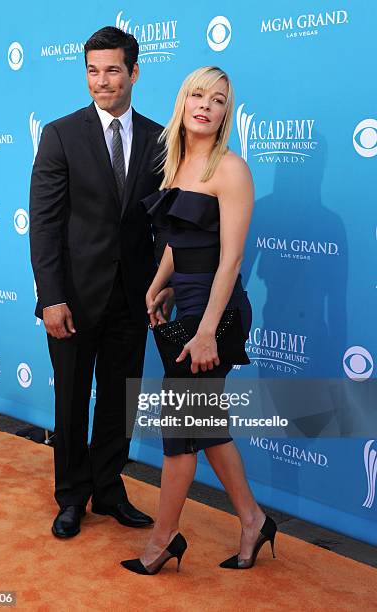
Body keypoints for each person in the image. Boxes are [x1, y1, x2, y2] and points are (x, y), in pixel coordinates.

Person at [121, 66, 277, 574]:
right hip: (182, 306)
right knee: (206, 427)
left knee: (180, 431)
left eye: (216, 99)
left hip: (216, 313)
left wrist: (208, 329)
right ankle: (253, 520)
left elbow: (231, 260)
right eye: (196, 94)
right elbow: (175, 240)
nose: (204, 105)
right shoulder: (176, 163)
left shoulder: (231, 170)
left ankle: (162, 542)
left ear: (226, 111)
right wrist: (157, 282)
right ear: (183, 101)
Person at [29, 26, 172, 538]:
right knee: (70, 399)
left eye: (112, 70)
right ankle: (71, 496)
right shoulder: (61, 134)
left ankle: (110, 489)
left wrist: (162, 284)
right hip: (73, 298)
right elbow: (44, 224)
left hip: (133, 298)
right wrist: (52, 298)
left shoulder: (160, 138)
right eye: (93, 70)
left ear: (134, 72)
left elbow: (164, 223)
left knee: (118, 398)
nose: (102, 81)